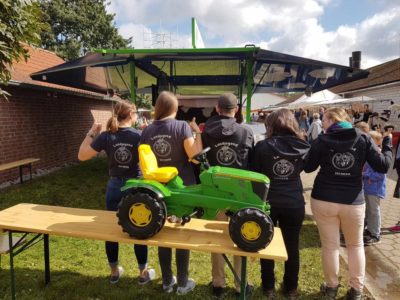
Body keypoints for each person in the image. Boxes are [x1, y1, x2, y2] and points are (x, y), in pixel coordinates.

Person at [304, 107, 392, 300]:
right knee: (355, 245)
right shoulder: (363, 138)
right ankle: (356, 290)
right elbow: (383, 165)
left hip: (324, 198)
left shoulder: (322, 139)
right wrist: (387, 144)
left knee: (330, 246)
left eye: (325, 121)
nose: (323, 125)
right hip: (353, 201)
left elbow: (308, 167)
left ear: (332, 119)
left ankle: (331, 287)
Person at [78, 100, 155, 284]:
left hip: (114, 186)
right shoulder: (139, 135)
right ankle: (143, 273)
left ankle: (114, 272)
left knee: (111, 229)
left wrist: (91, 132)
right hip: (135, 187)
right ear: (131, 115)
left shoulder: (106, 136)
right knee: (139, 226)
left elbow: (81, 155)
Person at [140, 91, 201, 295]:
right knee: (181, 232)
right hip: (181, 186)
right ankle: (183, 283)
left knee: (161, 231)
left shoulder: (147, 130)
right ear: (174, 108)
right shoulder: (182, 126)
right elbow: (194, 156)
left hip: (158, 187)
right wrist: (197, 132)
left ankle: (167, 282)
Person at [251, 108, 310, 299]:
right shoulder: (302, 145)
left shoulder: (262, 146)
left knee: (266, 242)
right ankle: (291, 288)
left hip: (268, 200)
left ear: (271, 125)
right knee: (292, 245)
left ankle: (268, 286)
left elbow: (254, 170)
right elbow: (308, 167)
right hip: (293, 201)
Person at [201, 93, 254, 298]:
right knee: (241, 237)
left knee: (217, 237)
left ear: (217, 108)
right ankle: (241, 283)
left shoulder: (206, 132)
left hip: (215, 191)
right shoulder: (246, 131)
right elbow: (252, 162)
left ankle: (218, 283)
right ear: (237, 109)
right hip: (240, 191)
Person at [363, 131, 387, 246]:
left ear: (377, 141)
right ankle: (369, 229)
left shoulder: (378, 154)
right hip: (367, 187)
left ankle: (375, 235)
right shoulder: (369, 153)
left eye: (370, 139)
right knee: (368, 209)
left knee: (374, 210)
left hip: (374, 188)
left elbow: (380, 174)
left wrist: (365, 174)